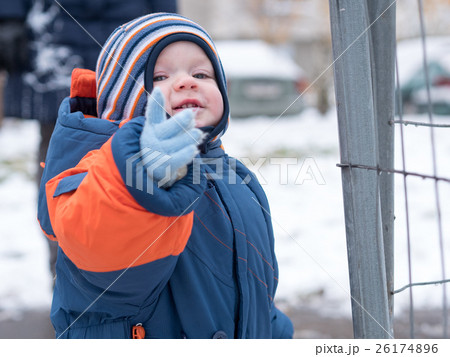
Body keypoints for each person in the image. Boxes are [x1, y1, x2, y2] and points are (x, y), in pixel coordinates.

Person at [39, 12, 293, 339]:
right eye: (159, 77)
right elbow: (103, 246)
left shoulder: (240, 180)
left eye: (201, 73)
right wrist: (142, 176)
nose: (187, 82)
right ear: (122, 102)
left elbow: (259, 291)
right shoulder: (101, 178)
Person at [1, 0, 178, 279]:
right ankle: (67, 273)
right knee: (63, 145)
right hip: (54, 33)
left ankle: (135, 270)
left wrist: (168, 24)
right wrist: (8, 15)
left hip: (129, 28)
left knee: (136, 146)